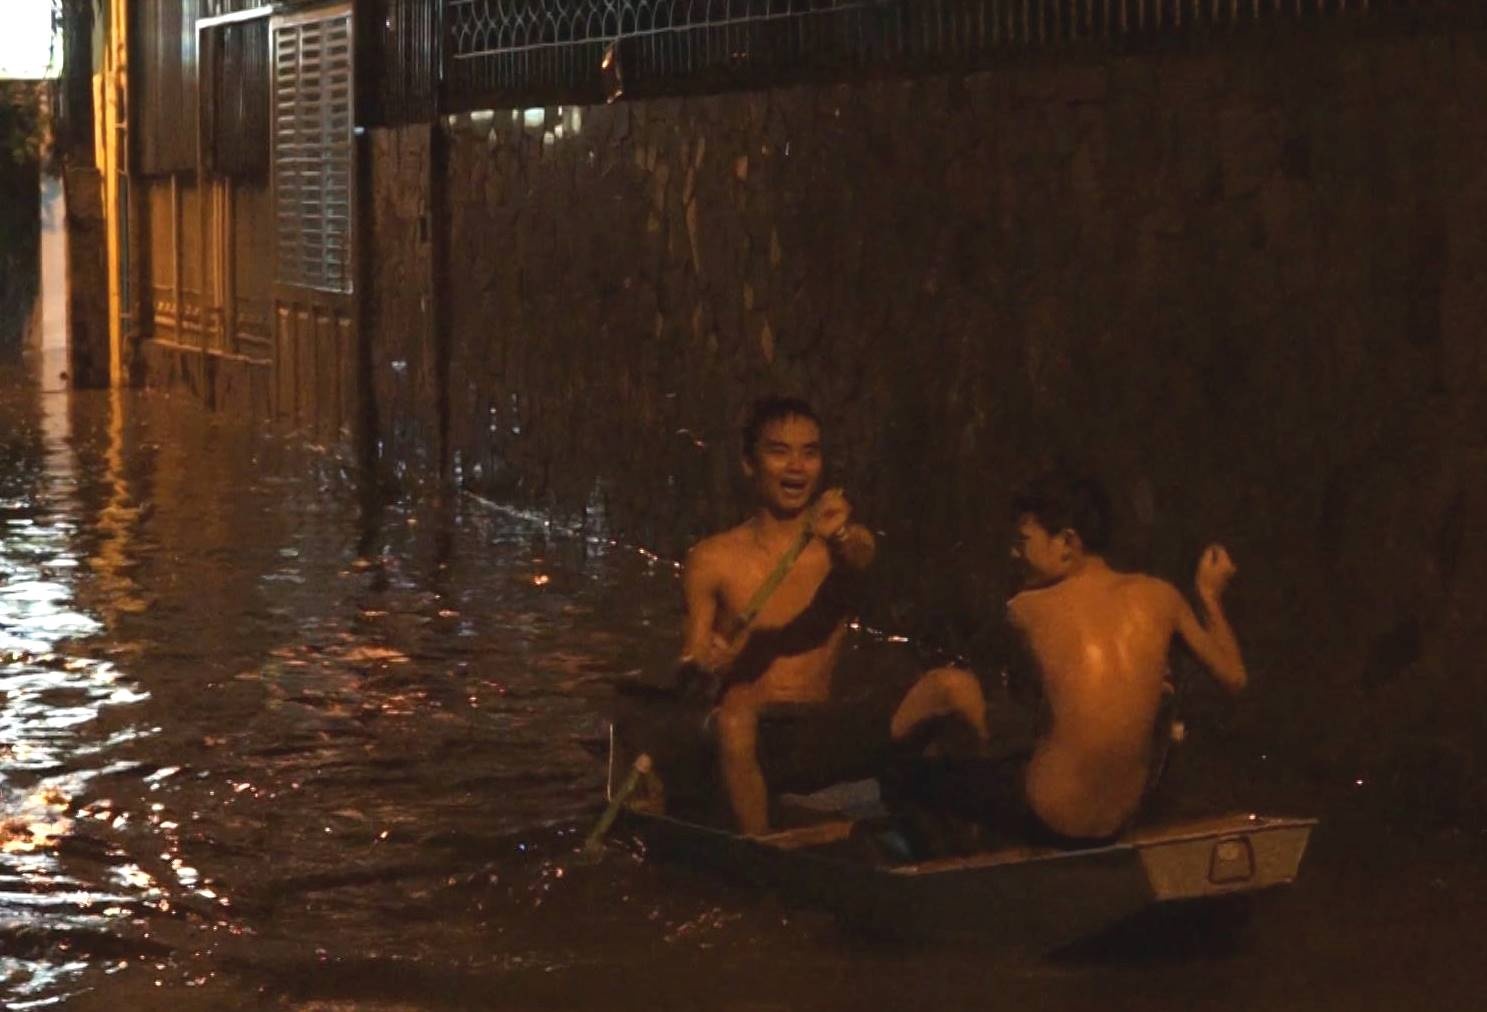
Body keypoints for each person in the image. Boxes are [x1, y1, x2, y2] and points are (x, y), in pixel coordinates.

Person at [892, 472, 1247, 848]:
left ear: (1067, 543)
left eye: (1022, 542)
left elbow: (974, 691)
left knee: (910, 776)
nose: (1014, 554)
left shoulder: (1026, 608)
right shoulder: (1162, 596)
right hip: (1121, 818)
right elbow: (1235, 677)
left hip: (1050, 818)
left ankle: (957, 874)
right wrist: (1209, 595)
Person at [679, 395, 877, 835]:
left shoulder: (841, 544)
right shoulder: (711, 559)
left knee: (948, 687)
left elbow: (860, 555)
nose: (796, 468)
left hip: (814, 733)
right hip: (747, 739)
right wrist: (702, 662)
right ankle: (762, 851)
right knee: (734, 719)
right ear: (750, 463)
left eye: (810, 453)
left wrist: (838, 533)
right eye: (779, 451)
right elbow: (691, 663)